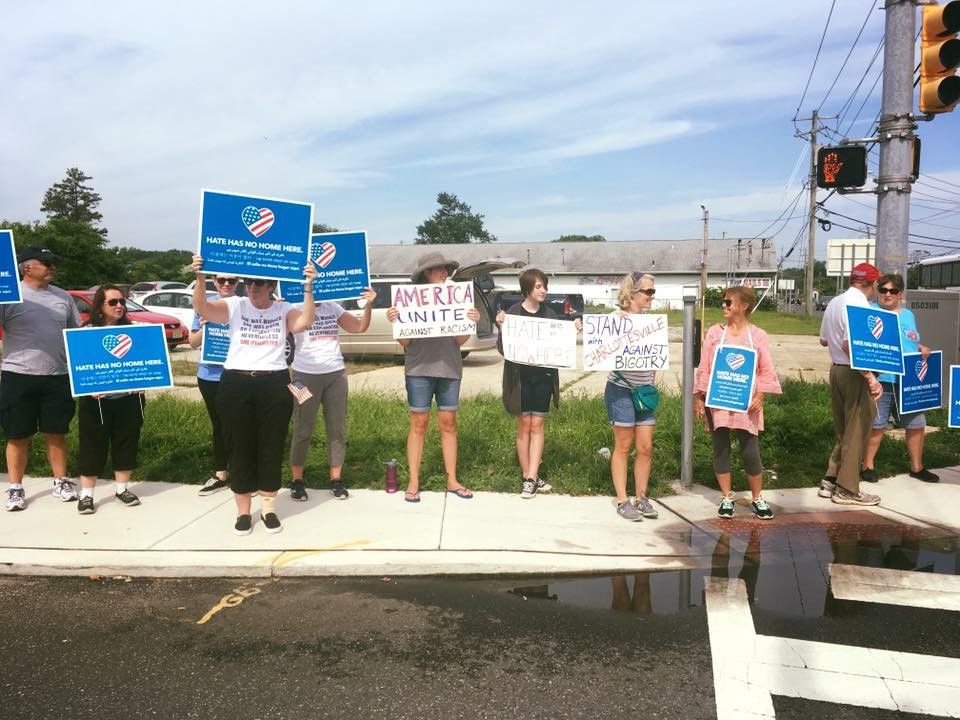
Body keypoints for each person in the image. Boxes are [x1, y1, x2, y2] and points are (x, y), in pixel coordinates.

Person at [191, 256, 317, 535]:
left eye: (258, 282)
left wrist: (308, 286)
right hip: (236, 382)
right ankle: (243, 511)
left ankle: (269, 508)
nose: (251, 287)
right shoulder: (235, 305)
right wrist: (200, 277)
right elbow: (203, 308)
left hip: (274, 383)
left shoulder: (284, 308)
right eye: (248, 281)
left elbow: (306, 321)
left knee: (271, 445)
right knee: (239, 447)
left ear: (272, 284)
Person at [386, 252, 478, 503]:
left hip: (449, 368)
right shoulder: (408, 302)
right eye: (438, 269)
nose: (444, 273)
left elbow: (460, 341)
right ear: (426, 274)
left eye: (445, 269)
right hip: (418, 369)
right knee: (419, 424)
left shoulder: (457, 300)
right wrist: (397, 323)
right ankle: (413, 481)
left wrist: (470, 323)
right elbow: (405, 342)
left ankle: (452, 479)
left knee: (449, 424)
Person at [0, 246, 81, 511]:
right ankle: (15, 488)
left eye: (53, 262)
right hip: (18, 376)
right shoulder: (9, 296)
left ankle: (60, 481)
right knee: (17, 434)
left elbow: (76, 334)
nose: (52, 267)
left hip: (57, 375)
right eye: (46, 263)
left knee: (56, 432)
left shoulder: (63, 297)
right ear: (27, 268)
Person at [694, 285, 782, 519]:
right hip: (719, 399)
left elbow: (766, 370)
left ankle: (757, 498)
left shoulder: (758, 335)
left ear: (744, 306)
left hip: (746, 403)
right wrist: (699, 398)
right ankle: (726, 497)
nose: (723, 305)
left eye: (728, 302)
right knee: (720, 449)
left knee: (750, 451)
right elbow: (704, 367)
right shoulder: (714, 333)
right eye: (723, 302)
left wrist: (760, 396)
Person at [495, 268, 581, 499]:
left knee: (538, 425)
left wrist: (572, 331)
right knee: (524, 425)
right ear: (527, 289)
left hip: (543, 379)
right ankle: (528, 477)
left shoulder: (550, 315)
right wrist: (502, 328)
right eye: (538, 286)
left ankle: (532, 476)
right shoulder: (512, 314)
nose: (543, 290)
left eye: (544, 286)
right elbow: (503, 349)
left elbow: (560, 345)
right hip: (520, 380)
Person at [287, 286, 377, 501]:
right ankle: (297, 480)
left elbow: (359, 327)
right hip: (303, 376)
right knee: (302, 427)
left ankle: (336, 479)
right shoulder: (293, 307)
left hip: (335, 375)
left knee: (337, 428)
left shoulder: (333, 307)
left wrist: (370, 304)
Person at [862, 273, 939, 484]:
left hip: (909, 380)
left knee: (916, 423)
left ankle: (917, 467)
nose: (887, 294)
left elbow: (911, 341)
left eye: (892, 291)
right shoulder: (870, 311)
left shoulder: (908, 316)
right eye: (883, 290)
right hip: (882, 378)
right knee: (877, 424)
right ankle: (867, 466)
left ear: (900, 294)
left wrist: (921, 348)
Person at [76, 285, 145, 514]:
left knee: (126, 442)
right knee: (92, 445)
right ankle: (86, 496)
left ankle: (122, 489)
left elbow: (145, 364)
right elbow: (79, 366)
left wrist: (143, 382)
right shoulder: (86, 332)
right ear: (100, 306)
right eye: (113, 302)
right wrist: (88, 386)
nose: (119, 306)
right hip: (96, 402)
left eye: (122, 302)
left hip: (128, 400)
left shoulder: (134, 332)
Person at [818, 262, 883, 506]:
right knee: (857, 431)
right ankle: (848, 488)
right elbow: (850, 344)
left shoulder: (835, 302)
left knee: (844, 430)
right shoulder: (859, 304)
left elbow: (825, 341)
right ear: (872, 283)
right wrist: (870, 377)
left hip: (836, 370)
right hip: (854, 372)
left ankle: (831, 479)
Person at [603, 272, 661, 521]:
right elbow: (601, 350)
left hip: (644, 392)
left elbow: (656, 354)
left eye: (653, 292)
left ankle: (642, 497)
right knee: (623, 446)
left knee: (645, 447)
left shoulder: (652, 322)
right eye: (648, 291)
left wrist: (652, 377)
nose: (651, 296)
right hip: (620, 389)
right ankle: (622, 499)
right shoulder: (613, 320)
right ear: (632, 293)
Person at [189, 274, 239, 496]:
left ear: (238, 283)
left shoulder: (244, 305)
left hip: (237, 375)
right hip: (209, 376)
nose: (226, 284)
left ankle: (242, 473)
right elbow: (192, 341)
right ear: (215, 282)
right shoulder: (204, 304)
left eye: (231, 280)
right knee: (219, 425)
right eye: (221, 280)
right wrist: (204, 327)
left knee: (240, 426)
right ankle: (221, 474)